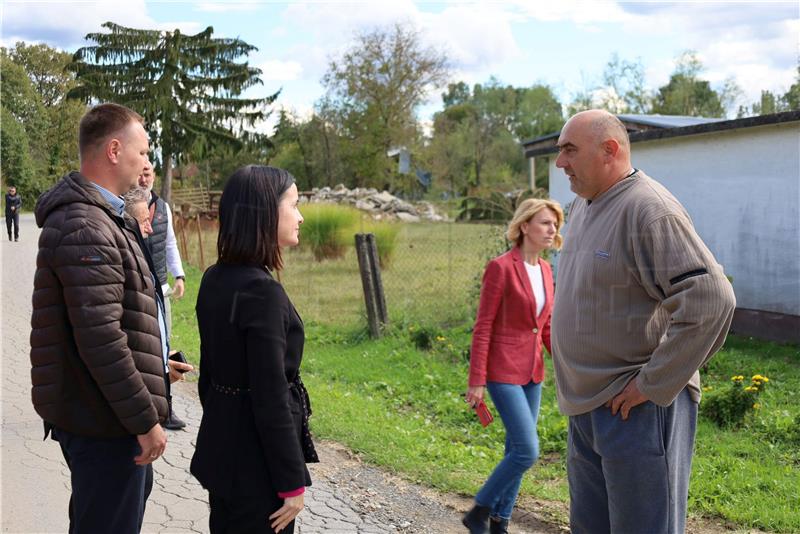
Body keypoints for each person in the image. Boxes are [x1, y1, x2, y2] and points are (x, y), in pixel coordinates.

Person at [551, 110, 736, 534]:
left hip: (635, 410)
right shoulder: (583, 205)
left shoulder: (648, 209)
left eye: (569, 151)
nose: (560, 162)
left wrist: (652, 384)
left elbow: (711, 298)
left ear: (610, 151)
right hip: (586, 408)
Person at [29, 103, 186, 533]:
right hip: (105, 422)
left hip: (104, 413)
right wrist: (145, 422)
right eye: (142, 151)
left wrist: (156, 365)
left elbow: (114, 319)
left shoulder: (105, 217)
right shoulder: (86, 225)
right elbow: (101, 341)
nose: (146, 163)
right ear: (115, 150)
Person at [191, 165, 318, 534]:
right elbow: (271, 395)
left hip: (224, 453)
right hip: (256, 466)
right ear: (265, 212)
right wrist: (292, 481)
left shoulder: (215, 277)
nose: (301, 216)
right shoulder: (263, 292)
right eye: (293, 205)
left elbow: (209, 382)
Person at [463, 198, 563, 534]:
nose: (552, 230)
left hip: (533, 372)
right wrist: (476, 380)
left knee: (515, 448)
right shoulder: (501, 267)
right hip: (502, 370)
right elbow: (484, 326)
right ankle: (479, 509)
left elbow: (545, 325)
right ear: (524, 227)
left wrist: (564, 367)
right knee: (527, 450)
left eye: (555, 225)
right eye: (546, 223)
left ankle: (500, 523)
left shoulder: (547, 270)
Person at [138, 163, 188, 430]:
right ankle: (141, 406)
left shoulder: (164, 208)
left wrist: (178, 275)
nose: (144, 177)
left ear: (154, 177)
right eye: (141, 172)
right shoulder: (124, 204)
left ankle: (166, 408)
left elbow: (170, 244)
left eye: (148, 173)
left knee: (164, 346)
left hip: (160, 288)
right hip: (135, 288)